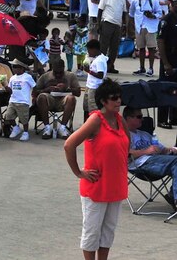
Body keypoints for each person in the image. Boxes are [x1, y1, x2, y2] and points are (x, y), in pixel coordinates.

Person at [63, 78, 128, 260]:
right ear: (103, 101)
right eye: (114, 98)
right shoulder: (95, 120)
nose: (118, 101)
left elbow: (126, 146)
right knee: (92, 231)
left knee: (108, 232)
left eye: (119, 97)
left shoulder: (119, 120)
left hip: (116, 185)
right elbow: (69, 145)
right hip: (96, 186)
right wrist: (78, 172)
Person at [124, 107, 177, 210]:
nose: (142, 119)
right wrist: (146, 151)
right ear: (128, 118)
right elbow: (124, 154)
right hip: (141, 164)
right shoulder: (124, 134)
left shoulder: (145, 134)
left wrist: (171, 150)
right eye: (139, 116)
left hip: (157, 160)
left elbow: (161, 149)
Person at [35, 58, 81, 139]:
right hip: (50, 100)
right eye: (56, 72)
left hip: (64, 101)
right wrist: (47, 89)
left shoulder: (70, 76)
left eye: (60, 72)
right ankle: (47, 127)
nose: (58, 75)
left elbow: (78, 93)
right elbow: (35, 92)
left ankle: (62, 127)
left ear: (64, 68)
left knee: (71, 98)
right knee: (42, 97)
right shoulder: (45, 76)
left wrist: (67, 88)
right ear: (52, 68)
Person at [129, 0, 162, 77]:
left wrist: (152, 16)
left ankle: (151, 68)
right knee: (141, 48)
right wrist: (131, 28)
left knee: (151, 49)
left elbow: (160, 13)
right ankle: (142, 68)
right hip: (139, 27)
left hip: (151, 27)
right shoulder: (135, 1)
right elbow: (131, 14)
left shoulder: (154, 0)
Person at [97, 0, 126, 75]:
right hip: (107, 22)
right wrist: (98, 25)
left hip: (117, 25)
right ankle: (100, 66)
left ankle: (110, 66)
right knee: (103, 47)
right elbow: (100, 10)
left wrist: (124, 25)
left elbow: (124, 12)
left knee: (114, 48)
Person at [3, 61, 36, 142]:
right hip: (13, 100)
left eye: (16, 67)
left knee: (24, 119)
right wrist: (5, 86)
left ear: (22, 68)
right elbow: (10, 90)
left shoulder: (27, 77)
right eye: (13, 67)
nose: (14, 69)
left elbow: (34, 86)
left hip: (23, 101)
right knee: (8, 116)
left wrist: (33, 96)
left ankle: (25, 132)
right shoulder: (12, 78)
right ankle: (15, 128)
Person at [85, 39, 107, 117]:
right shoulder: (102, 57)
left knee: (93, 109)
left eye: (89, 51)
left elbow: (100, 75)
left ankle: (93, 126)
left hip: (94, 87)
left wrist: (89, 71)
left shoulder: (99, 61)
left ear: (94, 49)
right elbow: (108, 60)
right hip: (89, 85)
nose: (88, 53)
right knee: (86, 107)